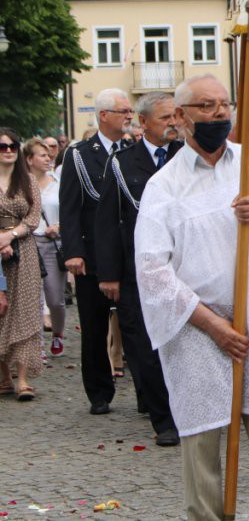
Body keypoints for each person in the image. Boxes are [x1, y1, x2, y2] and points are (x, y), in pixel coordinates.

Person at [135, 74, 249, 519]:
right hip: (199, 331)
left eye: (224, 105)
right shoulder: (164, 186)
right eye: (206, 106)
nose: (219, 114)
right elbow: (153, 271)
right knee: (202, 455)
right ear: (180, 117)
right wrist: (213, 325)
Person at [95, 92, 182, 446]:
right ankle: (163, 419)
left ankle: (183, 408)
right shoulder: (122, 162)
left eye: (176, 117)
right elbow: (107, 222)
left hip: (184, 265)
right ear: (143, 123)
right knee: (142, 343)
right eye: (165, 118)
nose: (173, 124)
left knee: (181, 340)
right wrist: (109, 274)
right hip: (139, 269)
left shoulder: (187, 157)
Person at [60, 88, 134, 415]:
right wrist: (73, 252)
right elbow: (70, 207)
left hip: (126, 254)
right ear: (104, 115)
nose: (130, 116)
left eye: (131, 111)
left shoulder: (133, 150)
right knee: (93, 327)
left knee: (134, 325)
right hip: (90, 255)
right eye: (123, 111)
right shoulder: (78, 154)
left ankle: (148, 394)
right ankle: (99, 393)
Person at [0, 128, 42, 401]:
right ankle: (4, 376)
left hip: (23, 251)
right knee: (1, 312)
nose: (8, 150)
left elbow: (34, 216)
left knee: (25, 311)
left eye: (13, 146)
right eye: (2, 146)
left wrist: (10, 235)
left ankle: (23, 379)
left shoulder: (27, 180)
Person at [24, 138, 65, 356]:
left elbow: (70, 211)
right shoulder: (20, 185)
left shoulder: (59, 182)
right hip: (29, 243)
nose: (48, 158)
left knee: (55, 298)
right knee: (34, 299)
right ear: (29, 159)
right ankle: (37, 346)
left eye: (49, 155)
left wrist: (59, 225)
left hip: (53, 244)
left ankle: (57, 332)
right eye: (42, 155)